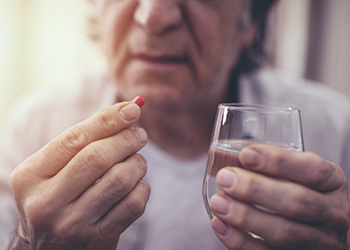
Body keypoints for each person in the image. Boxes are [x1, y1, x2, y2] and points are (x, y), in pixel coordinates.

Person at [1, 0, 350, 249]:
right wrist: (32, 244)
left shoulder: (334, 132)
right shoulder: (36, 127)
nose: (153, 15)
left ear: (252, 21)